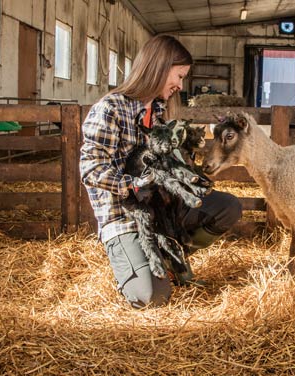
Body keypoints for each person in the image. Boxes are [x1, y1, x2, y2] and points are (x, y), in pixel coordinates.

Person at [80, 35, 242, 309]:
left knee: (228, 207)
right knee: (152, 297)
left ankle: (171, 254)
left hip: (163, 210)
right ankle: (140, 264)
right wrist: (133, 184)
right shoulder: (110, 109)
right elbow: (90, 169)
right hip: (126, 219)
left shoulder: (158, 113)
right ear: (158, 67)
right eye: (178, 76)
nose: (180, 85)